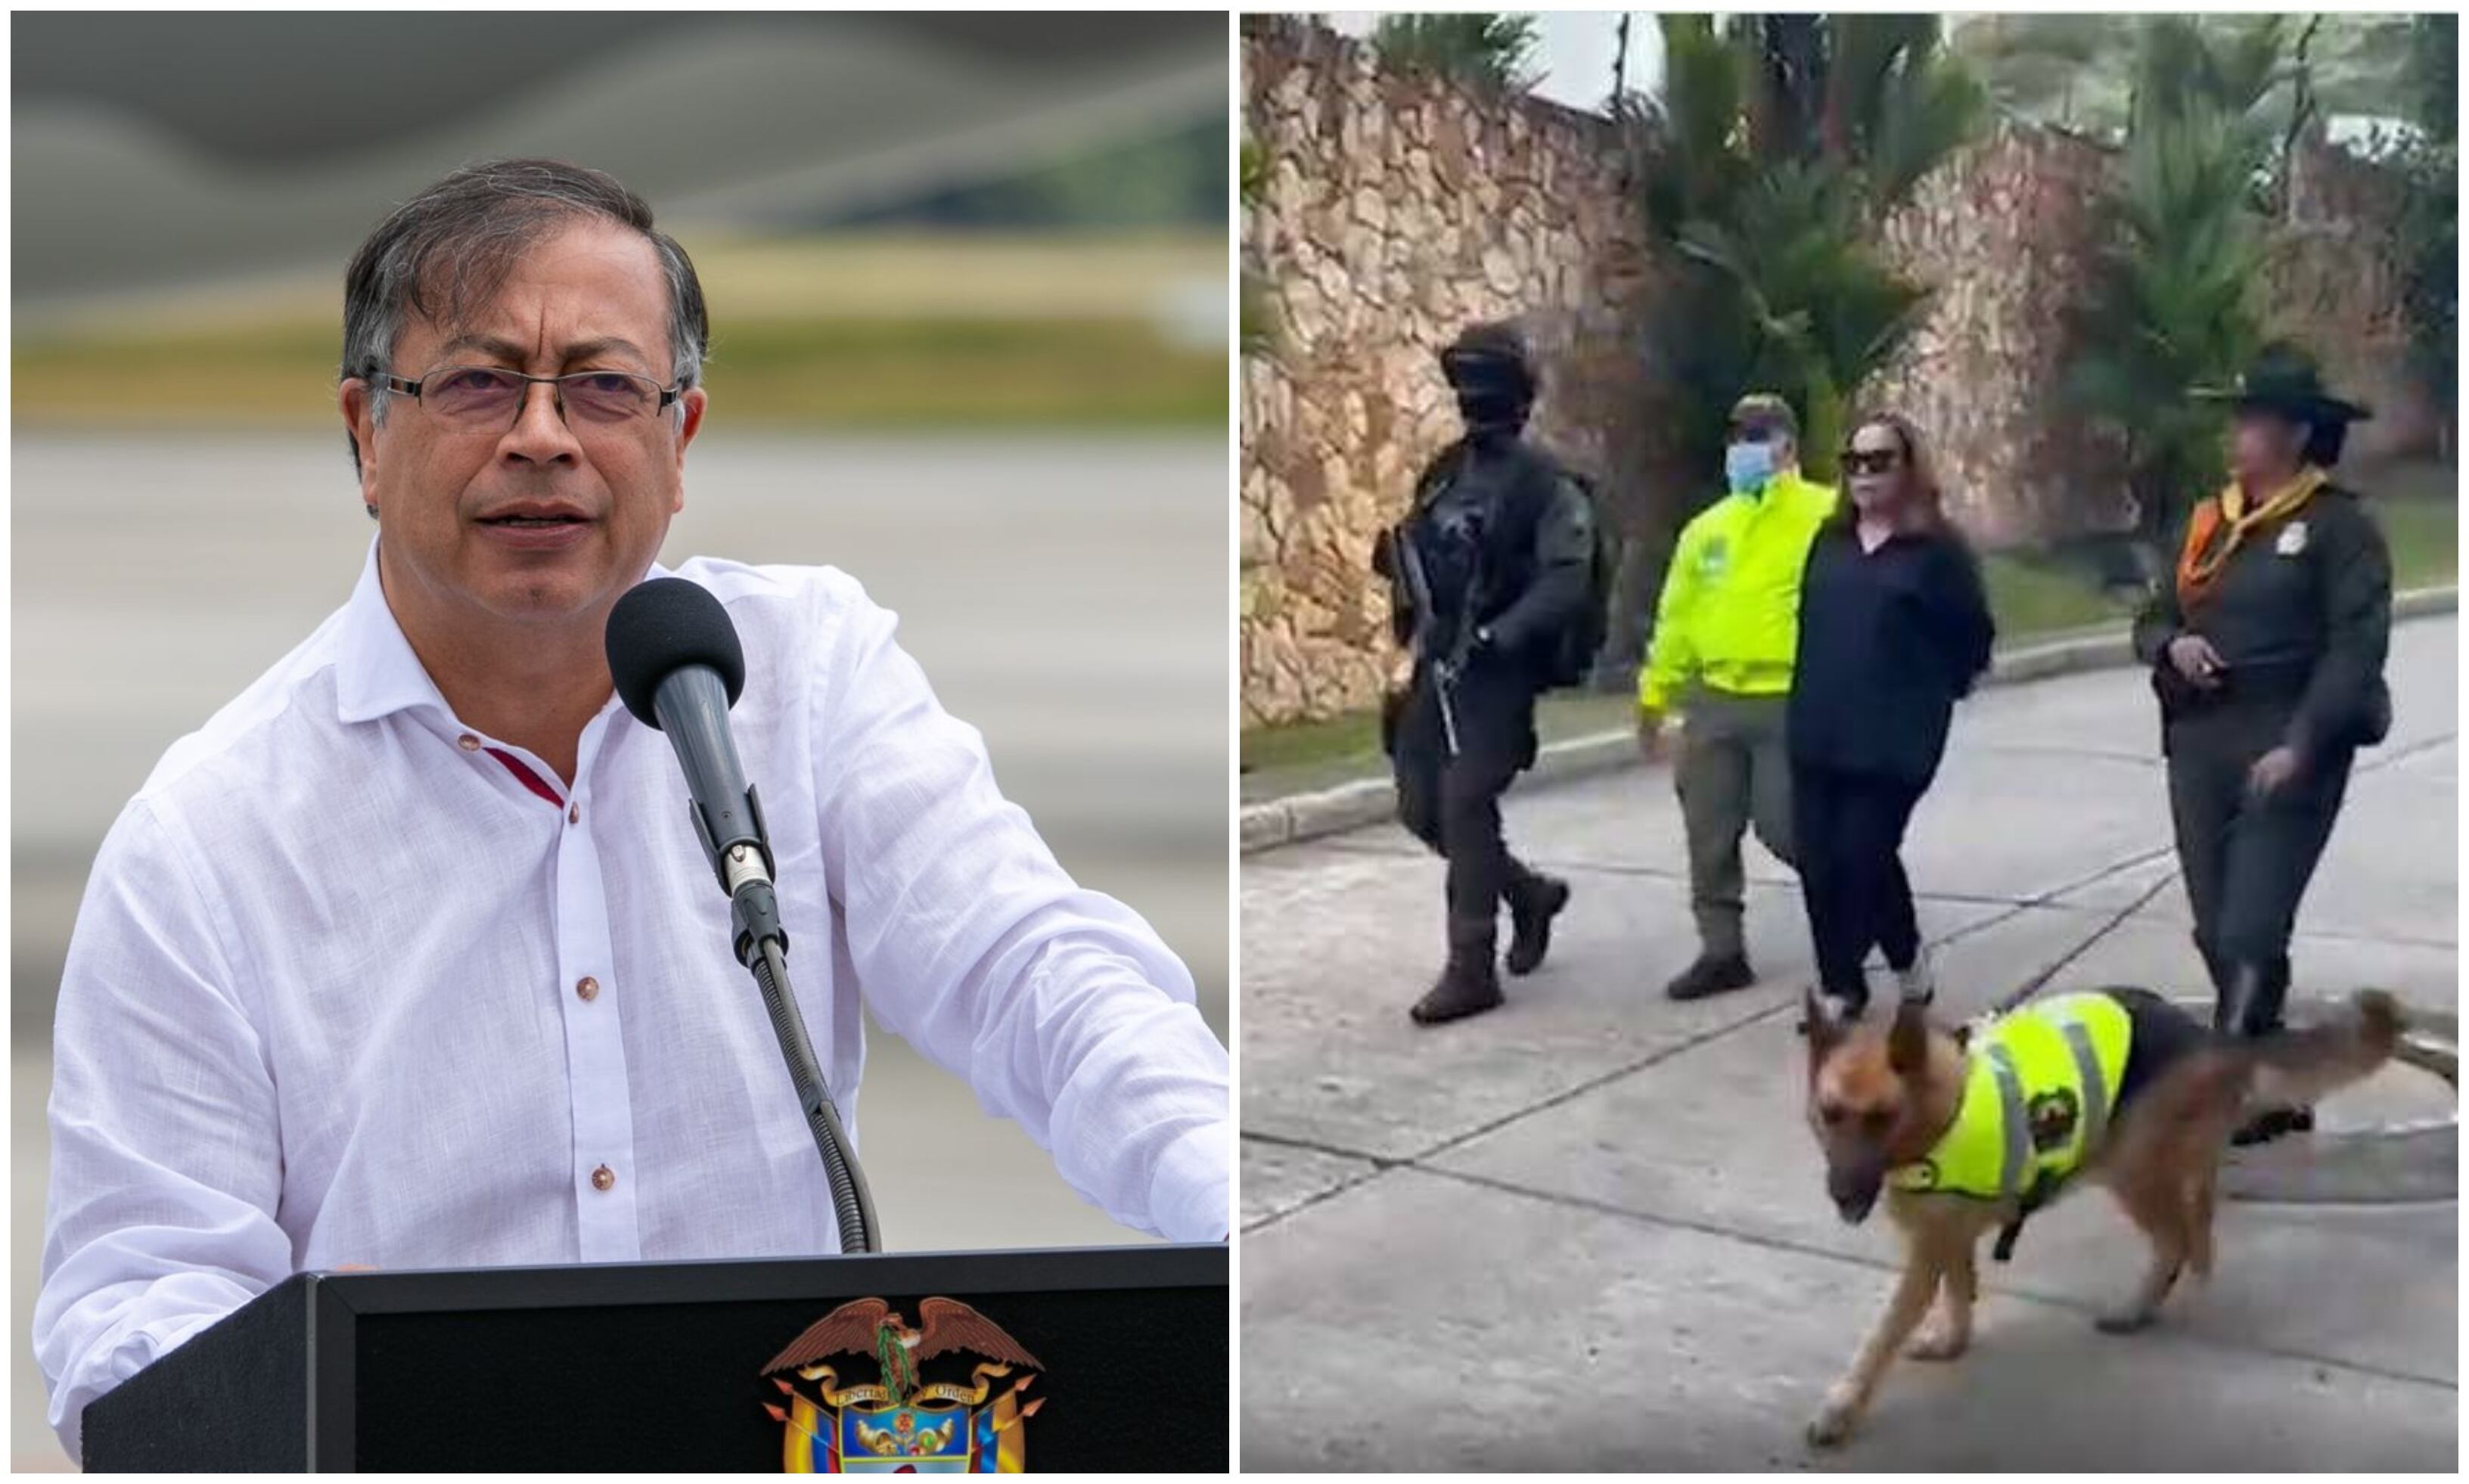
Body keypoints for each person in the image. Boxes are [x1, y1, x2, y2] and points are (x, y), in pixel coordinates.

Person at [34, 159, 1230, 1460]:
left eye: (603, 388)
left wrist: (1232, 1200)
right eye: (478, 382)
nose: (541, 436)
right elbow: (142, 1302)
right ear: (366, 435)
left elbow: (1033, 972)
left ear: (680, 441)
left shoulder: (805, 672)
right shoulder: (207, 840)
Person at [2130, 343, 2393, 1145]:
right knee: (2215, 926)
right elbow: (2153, 616)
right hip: (2201, 740)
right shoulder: (2210, 522)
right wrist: (2170, 645)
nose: (2238, 434)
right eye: (2238, 419)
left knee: (2251, 927)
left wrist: (2304, 742)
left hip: (2287, 744)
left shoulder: (2338, 527)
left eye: (2254, 420)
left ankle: (2229, 1083)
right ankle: (2275, 1083)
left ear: (2295, 432)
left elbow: (2357, 650)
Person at [1374, 322, 1595, 1026]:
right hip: (1435, 666)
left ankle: (1471, 966)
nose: (1474, 402)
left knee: (1467, 803)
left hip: (1498, 676)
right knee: (1422, 809)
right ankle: (1527, 894)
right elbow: (1421, 552)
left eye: (1485, 386)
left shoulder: (1546, 487)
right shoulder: (1444, 472)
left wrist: (1504, 635)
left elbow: (1568, 578)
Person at [1788, 414, 1994, 1020]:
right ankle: (1840, 985)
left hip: (1891, 741)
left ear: (1908, 468)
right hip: (1819, 728)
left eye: (1880, 461)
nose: (1866, 475)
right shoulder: (1830, 544)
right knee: (1819, 862)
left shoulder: (1937, 553)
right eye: (1854, 462)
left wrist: (1930, 692)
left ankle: (1905, 961)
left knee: (1864, 854)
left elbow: (1971, 639)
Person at [1636, 393, 1835, 1000]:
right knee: (1708, 826)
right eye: (1737, 437)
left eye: (1758, 437)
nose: (1744, 450)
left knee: (1786, 825)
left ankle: (1856, 902)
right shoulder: (1708, 531)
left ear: (1788, 448)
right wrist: (1655, 696)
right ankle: (1722, 951)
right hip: (1713, 698)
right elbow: (1677, 619)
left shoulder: (1828, 516)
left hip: (1791, 697)